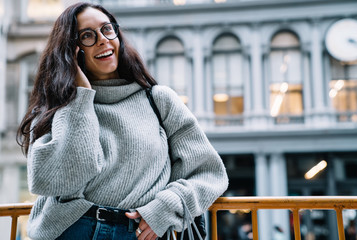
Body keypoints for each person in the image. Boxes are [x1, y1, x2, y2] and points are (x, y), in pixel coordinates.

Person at [17, 2, 229, 240]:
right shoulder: (60, 108)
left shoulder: (158, 100)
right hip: (73, 230)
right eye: (87, 35)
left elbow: (210, 173)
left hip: (138, 233)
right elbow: (56, 181)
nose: (102, 40)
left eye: (107, 29)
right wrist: (79, 98)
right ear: (71, 51)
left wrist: (164, 209)